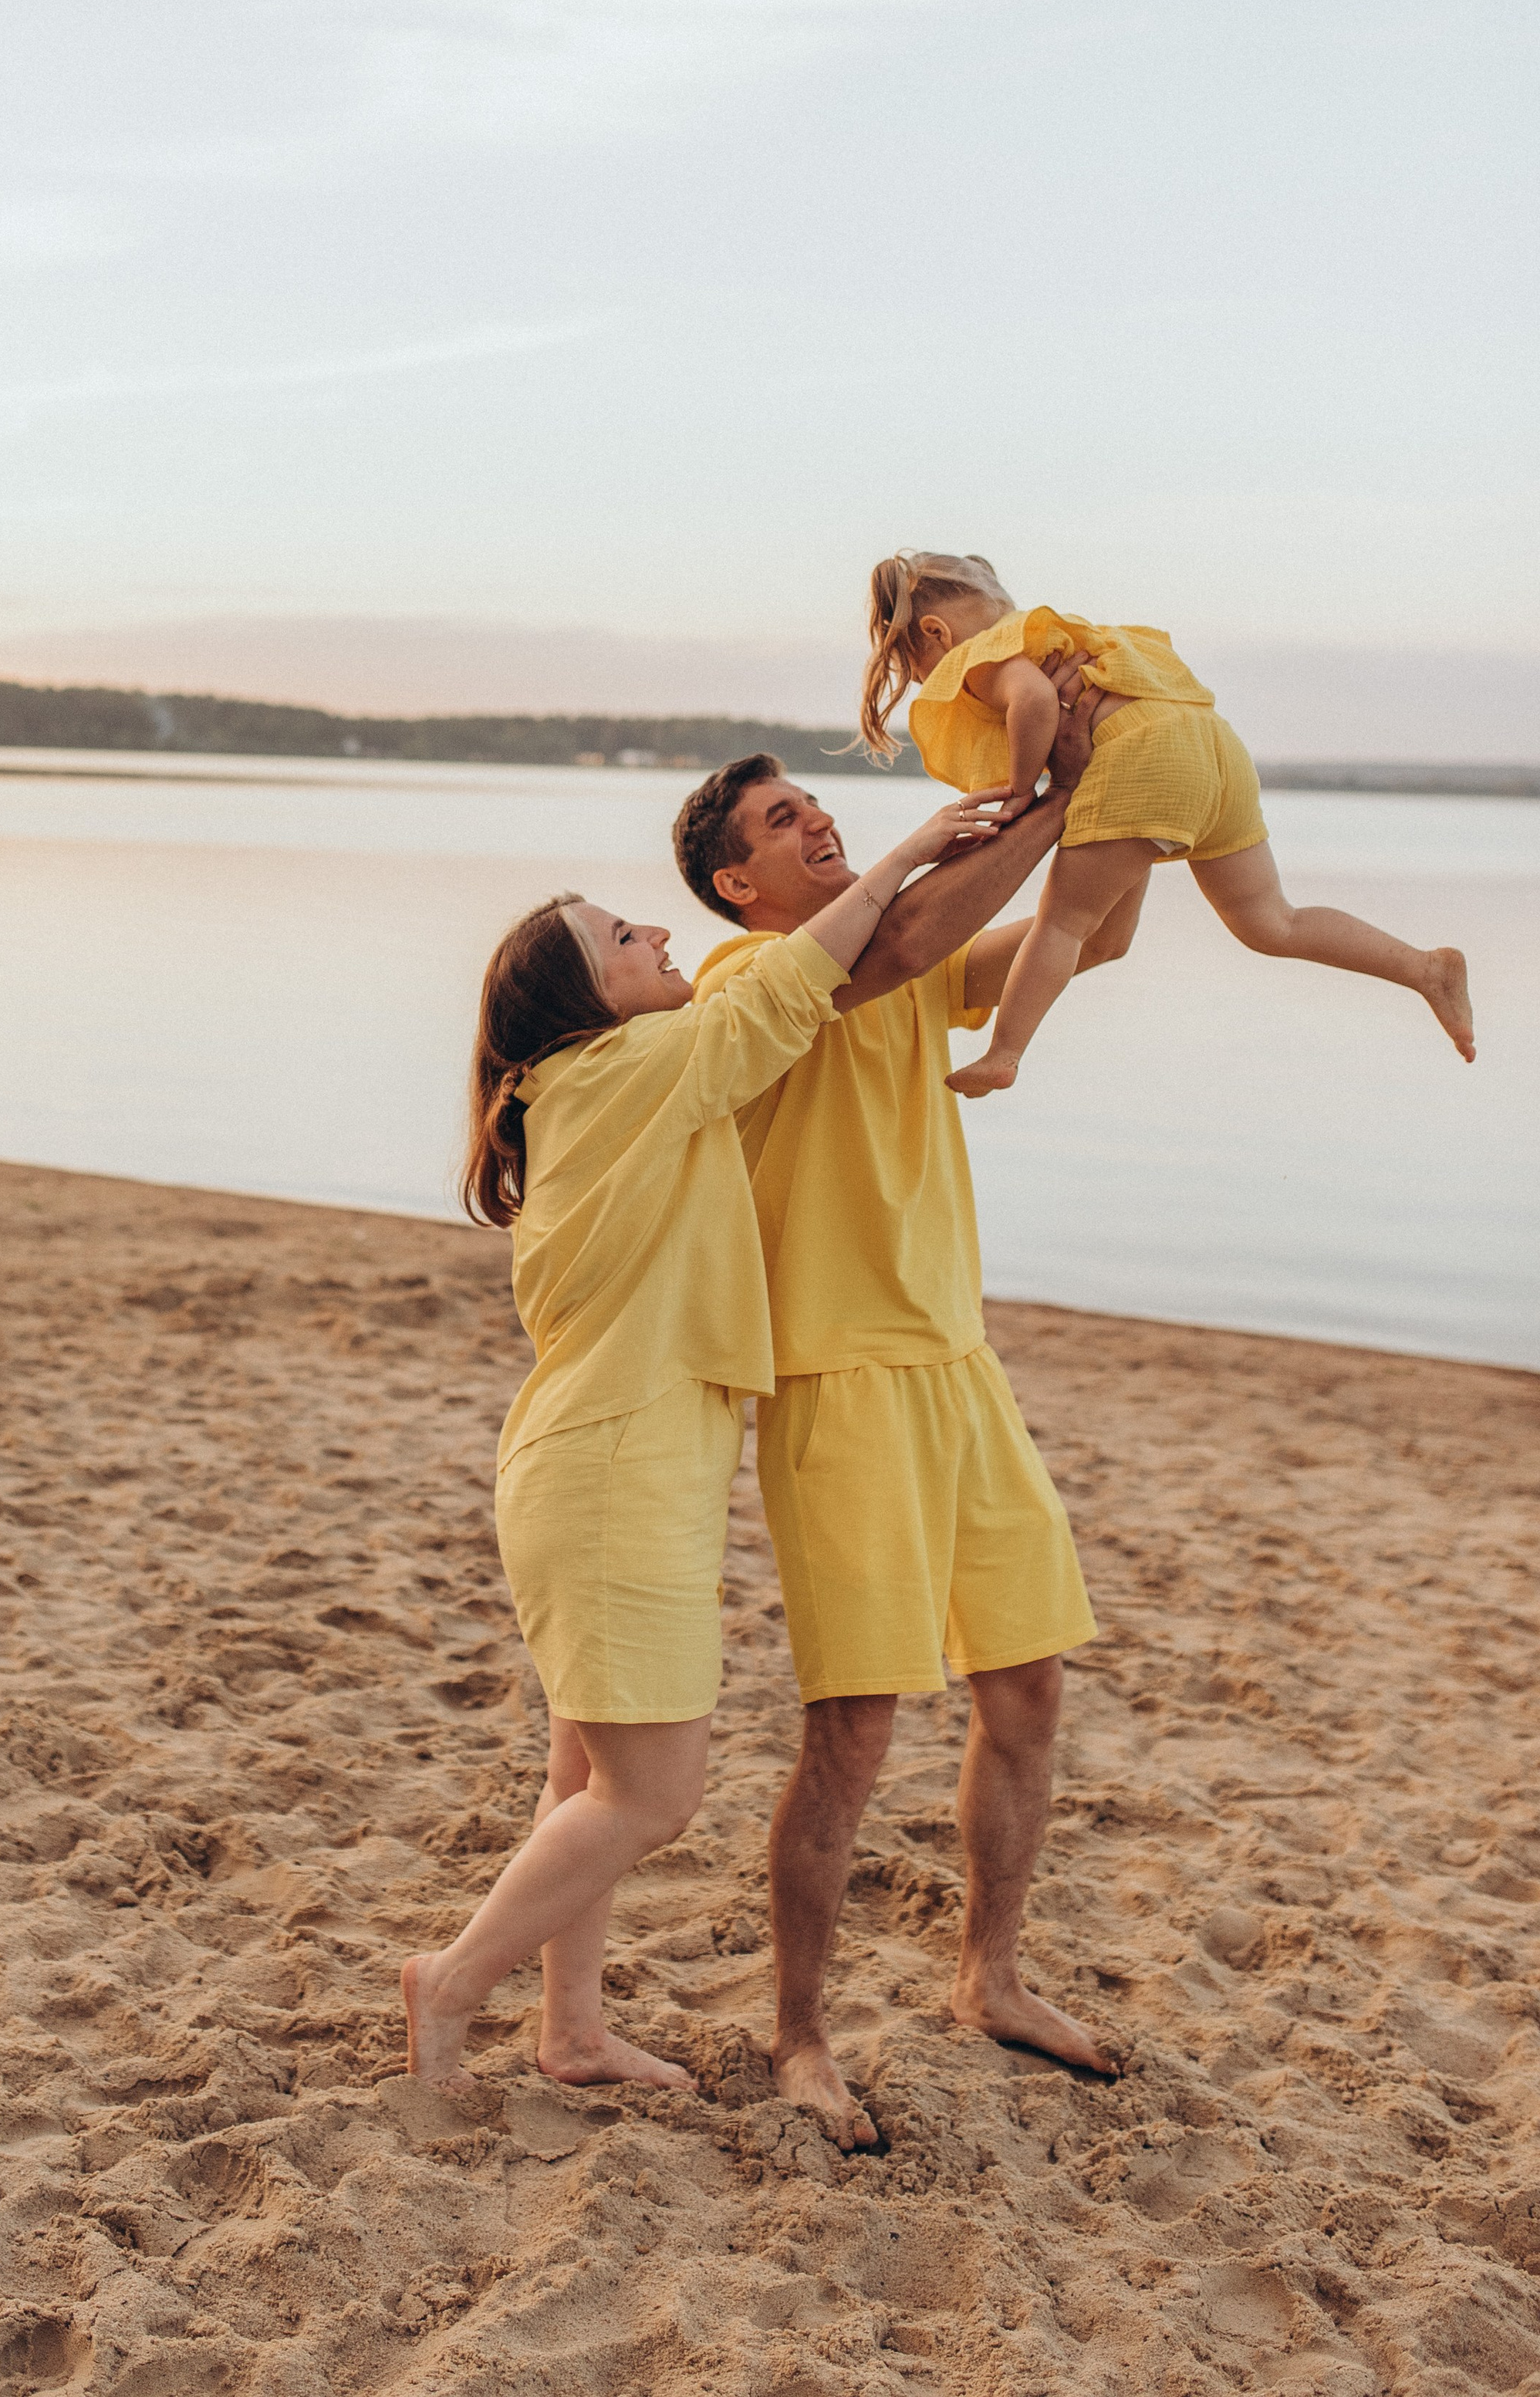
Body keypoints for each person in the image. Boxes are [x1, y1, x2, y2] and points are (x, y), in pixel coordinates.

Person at [401, 793, 1000, 2091]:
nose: (657, 934)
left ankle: (572, 2031)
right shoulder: (625, 1070)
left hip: (594, 1463)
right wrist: (910, 852)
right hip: (614, 1477)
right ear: (587, 999)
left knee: (587, 1769)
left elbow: (779, 1001)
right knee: (654, 1796)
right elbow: (783, 992)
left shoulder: (588, 1084)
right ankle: (450, 1982)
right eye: (625, 937)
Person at [672, 672, 1123, 2145]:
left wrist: (1129, 796)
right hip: (839, 1382)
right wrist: (1032, 803)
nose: (814, 821)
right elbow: (902, 940)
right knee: (855, 1734)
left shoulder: (907, 957)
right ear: (736, 883)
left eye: (815, 803)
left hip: (957, 1365)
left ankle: (989, 1977)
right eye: (779, 821)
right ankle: (801, 2037)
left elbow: (1091, 934)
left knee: (1030, 1689)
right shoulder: (747, 980)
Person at [858, 549, 1476, 1098]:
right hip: (1215, 752)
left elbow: (1037, 702)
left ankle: (1004, 1052)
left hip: (1146, 759)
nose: (928, 682)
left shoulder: (983, 655)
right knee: (1271, 921)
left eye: (918, 671)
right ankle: (1424, 968)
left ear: (935, 633)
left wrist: (1022, 793)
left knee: (1064, 922)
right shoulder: (1067, 638)